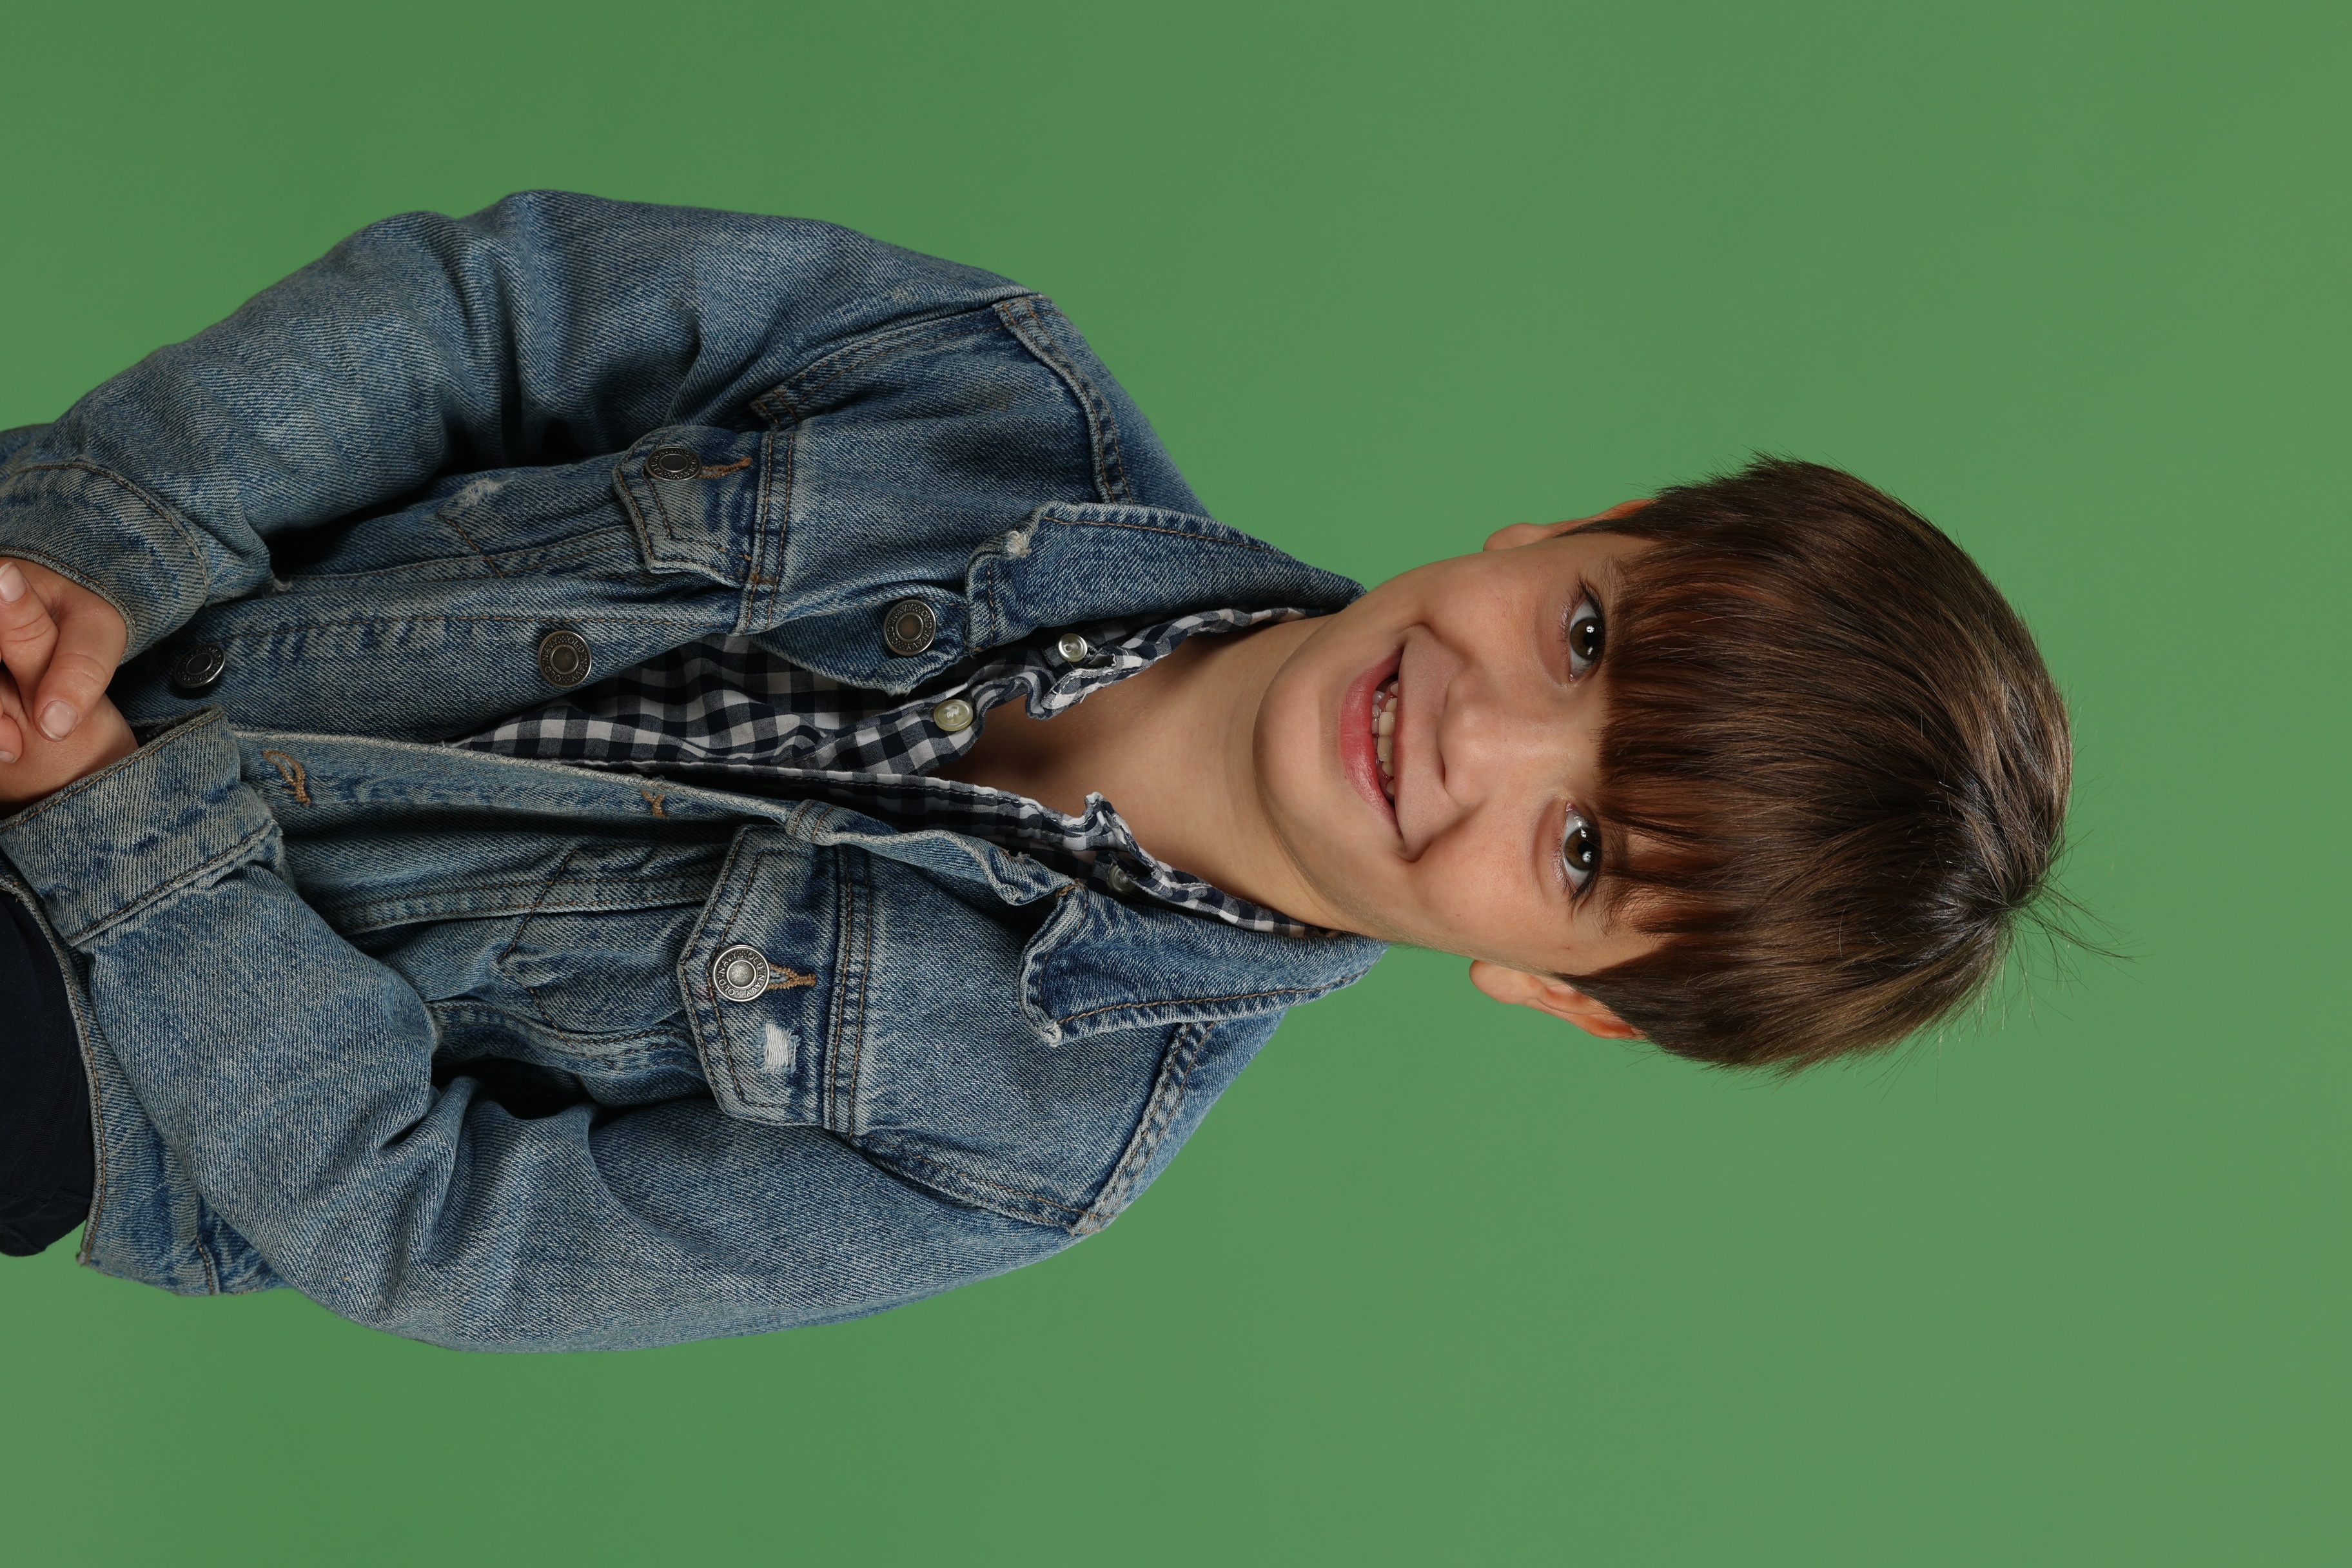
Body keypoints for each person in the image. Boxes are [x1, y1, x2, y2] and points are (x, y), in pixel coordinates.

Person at [0, 193, 2070, 1349]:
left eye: (1584, 844)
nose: (1477, 732)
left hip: (95, 1046)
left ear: (1565, 993)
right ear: (1571, 530)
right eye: (1587, 640)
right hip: (72, 603)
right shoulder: (969, 384)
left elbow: (465, 1237)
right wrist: (125, 540)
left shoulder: (1026, 1144)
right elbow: (490, 315)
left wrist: (122, 838)